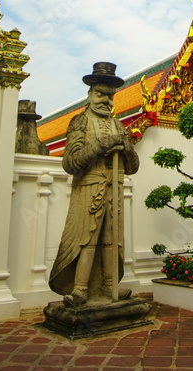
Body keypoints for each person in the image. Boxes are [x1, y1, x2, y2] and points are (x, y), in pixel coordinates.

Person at [48, 62, 139, 307]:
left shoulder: (118, 125)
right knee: (86, 239)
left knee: (112, 239)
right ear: (89, 94)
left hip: (114, 189)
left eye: (110, 96)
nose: (106, 100)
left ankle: (110, 286)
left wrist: (126, 146)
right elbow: (70, 163)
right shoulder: (80, 122)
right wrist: (100, 146)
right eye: (100, 94)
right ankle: (79, 289)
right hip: (89, 188)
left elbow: (133, 167)